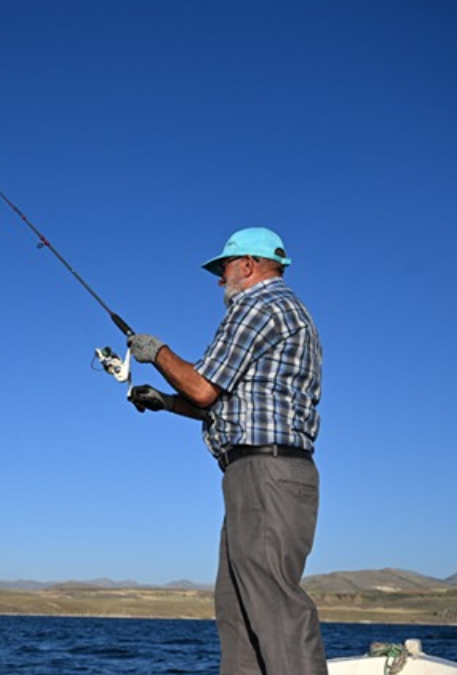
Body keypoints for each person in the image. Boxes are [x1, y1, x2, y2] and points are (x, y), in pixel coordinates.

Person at [126, 226, 327, 675]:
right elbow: (224, 404)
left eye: (223, 269)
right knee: (237, 611)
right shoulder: (285, 311)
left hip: (265, 474)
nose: (220, 280)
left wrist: (156, 352)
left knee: (273, 606)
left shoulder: (259, 306)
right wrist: (164, 402)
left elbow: (201, 388)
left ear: (248, 265)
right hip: (259, 474)